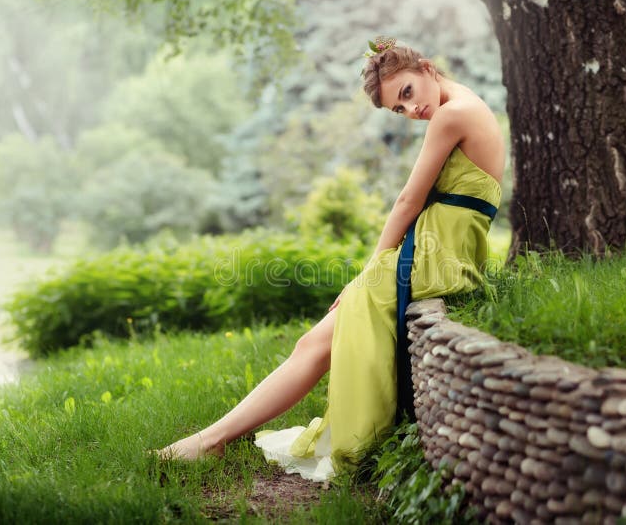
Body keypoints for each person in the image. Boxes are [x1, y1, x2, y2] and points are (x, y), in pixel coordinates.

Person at [158, 37, 504, 482]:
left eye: (407, 93)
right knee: (313, 345)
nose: (411, 110)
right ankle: (212, 439)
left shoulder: (453, 114)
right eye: (399, 108)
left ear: (426, 68)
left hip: (433, 259)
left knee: (314, 345)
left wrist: (368, 275)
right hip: (441, 253)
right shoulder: (464, 105)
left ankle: (209, 442)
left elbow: (406, 202)